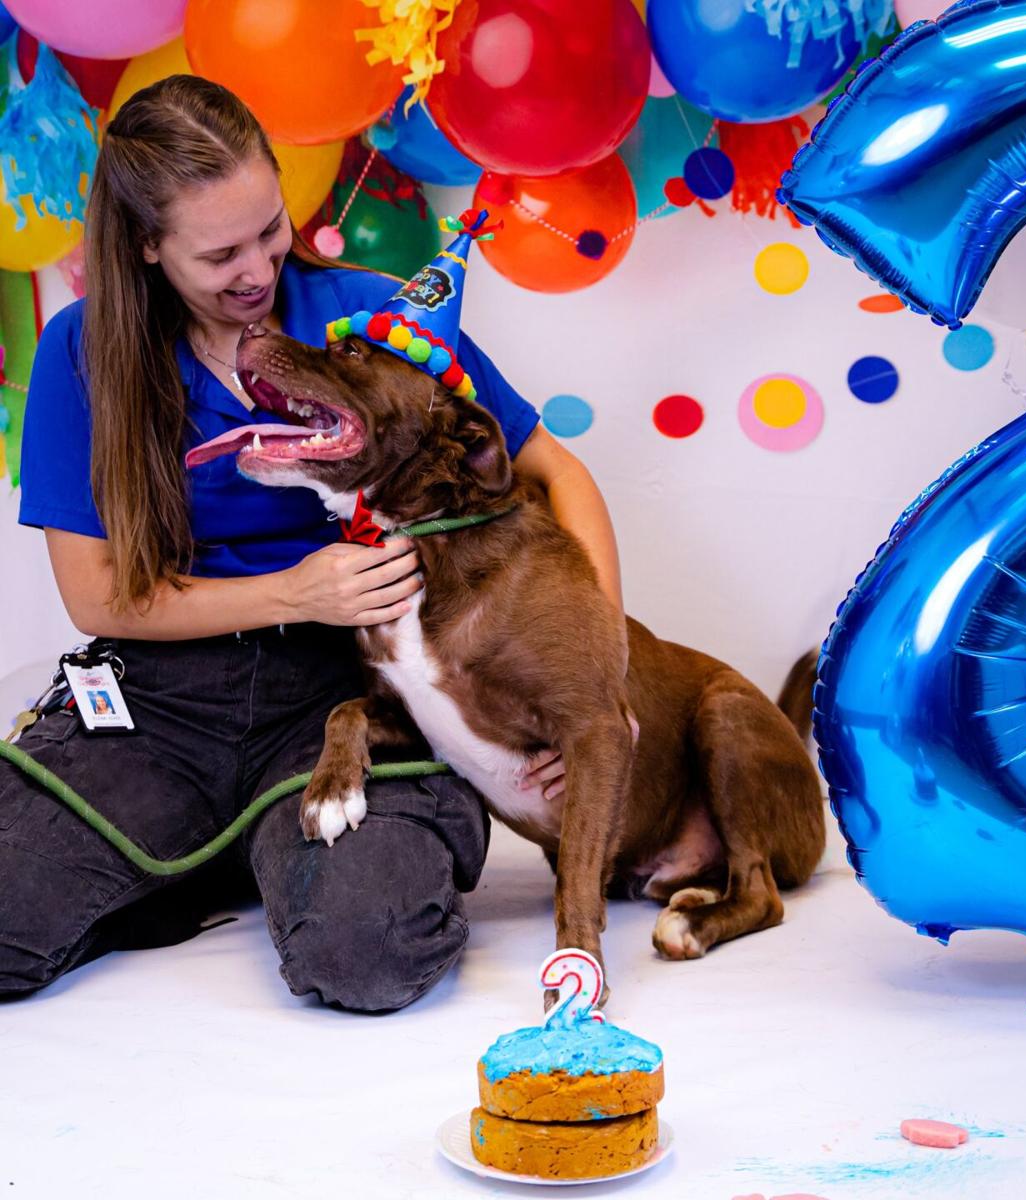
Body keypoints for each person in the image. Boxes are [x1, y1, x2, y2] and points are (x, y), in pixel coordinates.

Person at [0, 75, 625, 1011]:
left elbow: (560, 474)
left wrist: (599, 685)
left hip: (344, 695)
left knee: (371, 954)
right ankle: (212, 860)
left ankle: (253, 854)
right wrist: (295, 590)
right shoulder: (83, 350)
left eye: (270, 229)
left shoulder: (368, 323)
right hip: (162, 703)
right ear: (146, 244)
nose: (257, 269)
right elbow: (97, 598)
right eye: (220, 254)